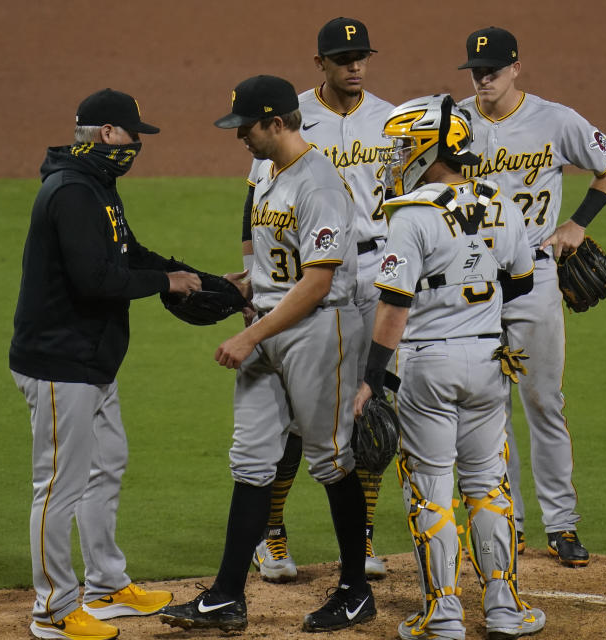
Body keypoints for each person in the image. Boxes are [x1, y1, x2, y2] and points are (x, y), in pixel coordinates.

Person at [159, 75, 376, 633]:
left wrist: (249, 335)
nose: (240, 138)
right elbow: (282, 270)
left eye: (246, 127)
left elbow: (319, 281)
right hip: (273, 323)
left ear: (276, 122)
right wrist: (241, 289)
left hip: (320, 329)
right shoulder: (268, 175)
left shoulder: (320, 183)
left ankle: (355, 591)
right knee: (252, 459)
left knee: (330, 458)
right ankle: (227, 595)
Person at [9, 88, 211, 640]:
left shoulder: (98, 185)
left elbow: (129, 254)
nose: (137, 146)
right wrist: (164, 284)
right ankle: (52, 611)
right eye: (132, 135)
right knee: (57, 485)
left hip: (92, 361)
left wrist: (201, 278)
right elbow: (94, 279)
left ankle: (105, 585)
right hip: (59, 363)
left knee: (106, 466)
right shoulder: (71, 191)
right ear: (106, 133)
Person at [354, 93, 543, 640]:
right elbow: (522, 280)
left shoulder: (411, 215)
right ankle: (505, 610)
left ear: (428, 149)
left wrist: (371, 376)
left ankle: (444, 614)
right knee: (489, 485)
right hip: (488, 362)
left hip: (426, 368)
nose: (395, 155)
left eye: (403, 145)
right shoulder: (503, 204)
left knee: (431, 488)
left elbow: (393, 305)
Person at [457, 26, 606, 566]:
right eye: (475, 71)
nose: (483, 79)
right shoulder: (454, 122)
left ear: (515, 68)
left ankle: (562, 525)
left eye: (492, 70)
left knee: (542, 403)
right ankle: (506, 521)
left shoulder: (554, 119)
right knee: (487, 406)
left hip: (534, 275)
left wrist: (576, 224)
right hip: (472, 282)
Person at [243, 16, 395, 584]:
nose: (355, 65)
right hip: (303, 277)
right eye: (342, 57)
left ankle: (364, 537)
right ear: (321, 64)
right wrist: (253, 280)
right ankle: (273, 535)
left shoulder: (393, 120)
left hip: (377, 272)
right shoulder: (287, 116)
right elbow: (254, 206)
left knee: (369, 405)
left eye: (362, 56)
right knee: (291, 417)